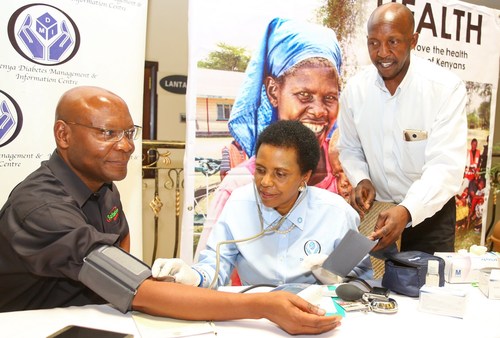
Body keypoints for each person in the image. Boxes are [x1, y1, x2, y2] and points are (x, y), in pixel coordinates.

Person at [0, 86, 341, 335]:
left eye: (128, 133)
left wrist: (153, 279)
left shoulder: (102, 186)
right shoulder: (40, 208)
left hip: (95, 318)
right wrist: (264, 305)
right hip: (34, 326)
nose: (126, 146)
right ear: (63, 134)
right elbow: (138, 288)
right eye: (107, 133)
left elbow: (121, 256)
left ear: (305, 177)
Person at [196, 17, 351, 259]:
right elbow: (209, 269)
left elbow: (354, 265)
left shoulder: (345, 180)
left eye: (330, 98)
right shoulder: (240, 186)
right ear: (273, 91)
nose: (319, 111)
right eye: (304, 95)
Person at [154, 120, 372, 288]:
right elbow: (215, 267)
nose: (265, 182)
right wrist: (193, 276)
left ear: (304, 176)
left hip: (317, 318)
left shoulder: (336, 213)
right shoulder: (239, 204)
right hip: (256, 317)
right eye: (260, 170)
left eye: (280, 174)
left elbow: (361, 282)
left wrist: (335, 280)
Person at [337, 3, 467, 254]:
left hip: (430, 215)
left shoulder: (444, 88)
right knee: (370, 286)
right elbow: (350, 147)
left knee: (425, 291)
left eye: (393, 42)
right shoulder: (356, 89)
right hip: (376, 211)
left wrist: (407, 211)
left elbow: (445, 167)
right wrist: (361, 178)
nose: (382, 53)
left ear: (413, 40)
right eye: (374, 43)